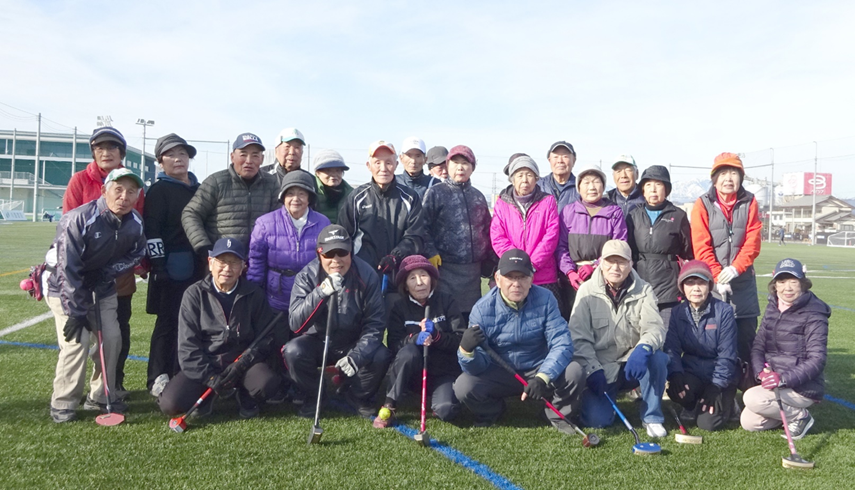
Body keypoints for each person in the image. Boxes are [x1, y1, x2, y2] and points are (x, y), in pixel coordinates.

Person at [46, 168, 146, 423]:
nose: (124, 197)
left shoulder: (135, 222)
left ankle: (100, 396)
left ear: (137, 197)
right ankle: (64, 401)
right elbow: (66, 268)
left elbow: (137, 253)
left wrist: (108, 272)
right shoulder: (77, 219)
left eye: (131, 192)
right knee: (76, 341)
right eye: (118, 190)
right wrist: (76, 312)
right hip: (63, 287)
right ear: (104, 191)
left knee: (112, 338)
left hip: (102, 288)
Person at [453, 249, 584, 430]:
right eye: (510, 277)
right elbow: (478, 367)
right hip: (500, 372)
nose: (516, 284)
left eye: (522, 277)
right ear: (498, 279)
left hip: (537, 367)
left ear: (531, 279)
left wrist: (542, 377)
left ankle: (555, 415)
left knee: (574, 371)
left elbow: (562, 343)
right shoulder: (481, 310)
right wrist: (466, 351)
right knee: (463, 385)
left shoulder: (546, 299)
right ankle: (492, 411)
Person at [63, 126, 145, 398]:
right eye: (100, 148)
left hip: (115, 273)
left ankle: (111, 385)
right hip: (80, 269)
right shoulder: (79, 180)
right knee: (78, 336)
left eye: (112, 148)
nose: (106, 152)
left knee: (116, 331)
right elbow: (69, 225)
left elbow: (136, 228)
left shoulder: (134, 184)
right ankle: (69, 397)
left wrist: (127, 266)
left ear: (122, 153)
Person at [158, 238, 280, 420]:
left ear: (243, 266)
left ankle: (244, 395)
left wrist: (242, 364)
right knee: (170, 404)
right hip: (207, 361)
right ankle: (208, 395)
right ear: (210, 263)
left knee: (267, 384)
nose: (227, 269)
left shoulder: (254, 293)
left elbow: (266, 338)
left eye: (234, 263)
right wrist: (210, 378)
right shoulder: (194, 294)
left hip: (242, 363)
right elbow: (187, 347)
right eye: (222, 262)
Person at [283, 225, 391, 418]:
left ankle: (356, 395)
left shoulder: (367, 275)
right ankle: (315, 396)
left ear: (351, 252)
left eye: (342, 253)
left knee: (380, 354)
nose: (336, 260)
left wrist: (357, 356)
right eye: (329, 254)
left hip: (353, 340)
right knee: (293, 351)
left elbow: (375, 325)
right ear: (319, 254)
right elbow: (296, 324)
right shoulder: (306, 276)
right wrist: (321, 292)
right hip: (318, 340)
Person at [569, 240, 668, 437]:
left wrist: (643, 348)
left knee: (657, 357)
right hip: (601, 368)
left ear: (631, 264)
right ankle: (605, 403)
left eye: (621, 262)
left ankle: (652, 417)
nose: (615, 267)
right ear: (601, 264)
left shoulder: (645, 289)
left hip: (633, 363)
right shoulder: (586, 291)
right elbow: (578, 338)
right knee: (596, 421)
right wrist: (592, 369)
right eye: (610, 261)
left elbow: (654, 327)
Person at [248, 170, 331, 400]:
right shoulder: (265, 223)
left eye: (302, 193)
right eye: (290, 193)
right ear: (282, 196)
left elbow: (327, 261)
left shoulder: (322, 222)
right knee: (276, 340)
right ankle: (279, 385)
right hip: (275, 294)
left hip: (309, 293)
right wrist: (255, 293)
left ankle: (301, 386)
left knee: (303, 341)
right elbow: (256, 261)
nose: (296, 198)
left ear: (310, 197)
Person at [741, 258, 829, 439]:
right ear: (775, 284)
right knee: (749, 422)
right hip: (774, 380)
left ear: (802, 283)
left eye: (793, 281)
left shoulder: (815, 313)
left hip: (801, 386)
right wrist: (760, 373)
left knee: (752, 398)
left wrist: (782, 379)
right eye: (781, 281)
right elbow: (758, 346)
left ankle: (800, 416)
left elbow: (817, 360)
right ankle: (788, 416)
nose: (787, 288)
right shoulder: (773, 306)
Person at [143, 133, 203, 396]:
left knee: (192, 323)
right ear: (160, 161)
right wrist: (158, 266)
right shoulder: (159, 191)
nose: (178, 159)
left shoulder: (199, 189)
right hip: (171, 267)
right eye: (171, 154)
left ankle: (183, 373)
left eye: (183, 154)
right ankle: (157, 376)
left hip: (198, 265)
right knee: (167, 322)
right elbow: (152, 230)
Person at [374, 255, 464, 427]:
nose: (420, 282)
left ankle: (439, 399)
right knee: (408, 352)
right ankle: (390, 404)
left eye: (423, 275)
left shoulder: (447, 301)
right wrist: (415, 339)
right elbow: (394, 344)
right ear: (405, 285)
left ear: (431, 278)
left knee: (446, 411)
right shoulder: (399, 308)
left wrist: (437, 336)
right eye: (412, 278)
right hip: (413, 374)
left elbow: (460, 340)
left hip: (444, 371)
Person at [691, 152, 762, 364]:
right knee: (711, 342)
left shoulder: (750, 201)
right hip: (713, 285)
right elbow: (701, 245)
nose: (728, 178)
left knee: (745, 343)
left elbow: (753, 240)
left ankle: (745, 383)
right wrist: (716, 275)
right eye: (723, 173)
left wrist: (736, 268)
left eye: (733, 173)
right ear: (714, 178)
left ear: (741, 177)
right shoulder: (702, 204)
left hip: (743, 284)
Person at [182, 132, 280, 261]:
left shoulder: (271, 183)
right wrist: (204, 247)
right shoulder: (216, 182)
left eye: (255, 155)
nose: (249, 161)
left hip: (259, 260)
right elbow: (191, 213)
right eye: (243, 154)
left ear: (262, 159)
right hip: (223, 260)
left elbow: (280, 220)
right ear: (232, 157)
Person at [665, 260, 738, 431]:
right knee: (678, 392)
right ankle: (693, 403)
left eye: (701, 283)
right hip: (693, 371)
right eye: (690, 283)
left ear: (709, 286)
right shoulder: (677, 312)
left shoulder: (724, 311)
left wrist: (716, 385)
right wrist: (675, 374)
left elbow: (727, 355)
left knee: (708, 424)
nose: (696, 288)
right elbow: (672, 348)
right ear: (682, 287)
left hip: (720, 376)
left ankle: (729, 403)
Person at [422, 145, 493, 317]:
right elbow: (422, 226)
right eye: (455, 163)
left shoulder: (478, 196)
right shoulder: (435, 193)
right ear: (447, 165)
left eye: (465, 163)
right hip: (444, 270)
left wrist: (491, 263)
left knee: (472, 318)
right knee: (446, 317)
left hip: (473, 273)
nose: (460, 167)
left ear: (472, 168)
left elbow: (488, 230)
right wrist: (430, 252)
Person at [339, 140, 426, 277]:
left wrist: (395, 257)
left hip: (400, 273)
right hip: (363, 274)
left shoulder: (410, 198)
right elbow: (344, 236)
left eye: (388, 163)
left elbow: (415, 237)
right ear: (369, 166)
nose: (383, 168)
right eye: (377, 163)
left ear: (396, 164)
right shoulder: (356, 197)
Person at [490, 155, 561, 312]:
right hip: (512, 275)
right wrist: (517, 263)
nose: (525, 180)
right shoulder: (502, 203)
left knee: (545, 316)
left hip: (543, 275)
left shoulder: (547, 201)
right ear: (512, 179)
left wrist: (532, 265)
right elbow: (498, 237)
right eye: (520, 175)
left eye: (529, 175)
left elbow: (551, 236)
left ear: (536, 179)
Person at [625, 165, 693, 327]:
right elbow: (628, 247)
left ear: (666, 189)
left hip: (668, 286)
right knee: (640, 332)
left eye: (658, 184)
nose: (653, 189)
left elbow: (687, 250)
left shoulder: (678, 215)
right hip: (639, 282)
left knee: (666, 332)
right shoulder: (633, 215)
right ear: (643, 190)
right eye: (648, 185)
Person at [557, 166, 627, 311]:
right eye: (586, 182)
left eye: (596, 182)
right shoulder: (568, 212)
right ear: (578, 187)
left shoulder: (614, 212)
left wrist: (596, 265)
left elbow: (619, 245)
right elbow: (560, 246)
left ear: (603, 186)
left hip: (604, 276)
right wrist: (570, 272)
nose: (592, 187)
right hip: (572, 279)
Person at [537, 141, 579, 213]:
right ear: (549, 160)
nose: (560, 161)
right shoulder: (538, 186)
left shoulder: (581, 188)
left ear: (574, 160)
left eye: (565, 156)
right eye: (556, 157)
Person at [313, 150, 353, 224]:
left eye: (338, 171)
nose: (334, 175)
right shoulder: (311, 192)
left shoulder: (351, 195)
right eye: (328, 170)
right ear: (317, 172)